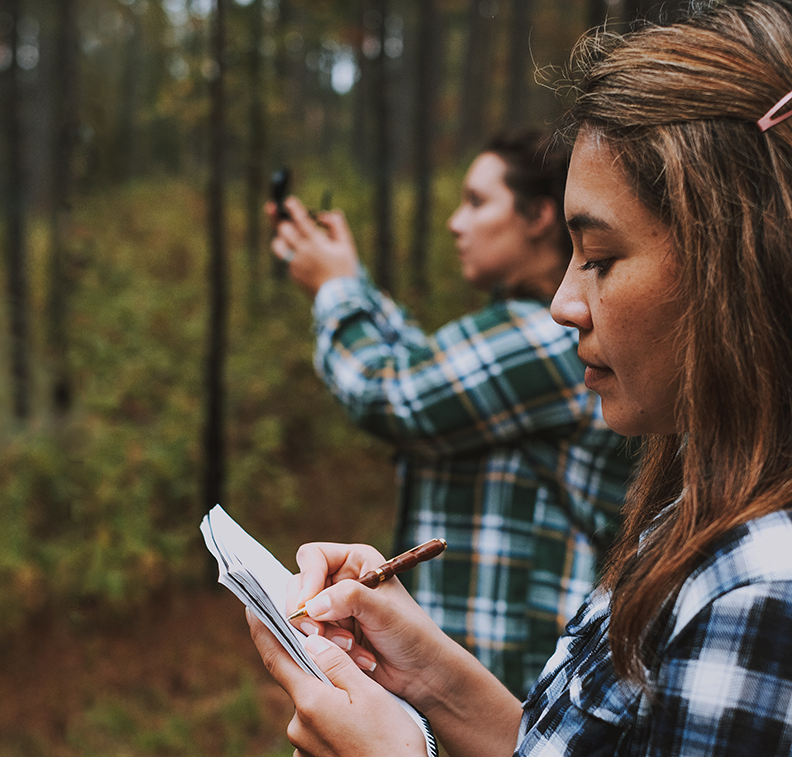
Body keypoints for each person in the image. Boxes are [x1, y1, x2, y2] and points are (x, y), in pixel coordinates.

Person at [249, 1, 792, 754]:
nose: (564, 307)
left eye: (599, 258)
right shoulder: (690, 515)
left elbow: (397, 388)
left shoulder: (758, 593)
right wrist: (430, 674)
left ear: (737, 259)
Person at [269, 129, 635, 697]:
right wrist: (347, 279)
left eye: (477, 201)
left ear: (539, 215)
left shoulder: (546, 338)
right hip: (502, 662)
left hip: (513, 673)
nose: (455, 222)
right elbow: (425, 366)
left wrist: (334, 290)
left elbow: (393, 392)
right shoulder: (533, 333)